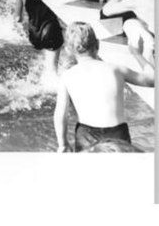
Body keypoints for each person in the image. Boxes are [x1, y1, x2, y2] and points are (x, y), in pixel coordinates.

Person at [53, 21, 154, 152]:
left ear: (68, 50)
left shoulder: (67, 76)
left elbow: (61, 114)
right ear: (98, 44)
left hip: (86, 134)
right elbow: (152, 80)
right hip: (117, 133)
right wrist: (137, 53)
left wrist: (63, 144)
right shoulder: (116, 70)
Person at [14, 0, 64, 75]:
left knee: (40, 65)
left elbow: (18, 19)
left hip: (34, 33)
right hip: (50, 30)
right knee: (52, 70)